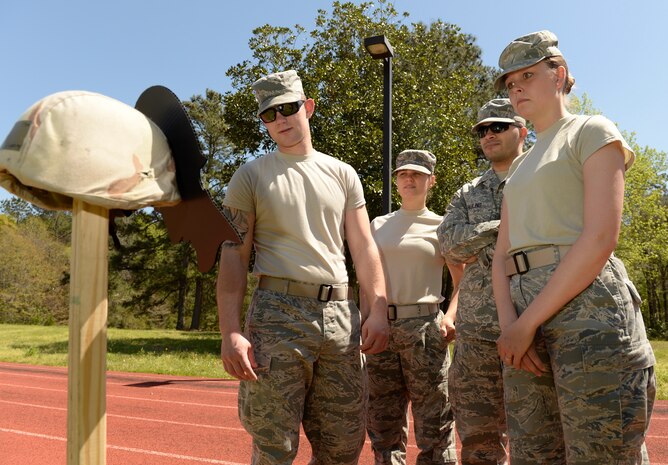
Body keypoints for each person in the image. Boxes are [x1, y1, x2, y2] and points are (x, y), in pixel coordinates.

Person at [490, 31, 656, 464]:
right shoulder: (521, 162)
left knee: (600, 453)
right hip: (525, 319)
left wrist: (527, 323)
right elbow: (502, 254)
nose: (517, 87)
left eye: (527, 74)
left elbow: (601, 237)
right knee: (534, 454)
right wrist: (513, 325)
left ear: (558, 74)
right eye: (510, 83)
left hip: (588, 310)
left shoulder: (591, 130)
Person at [216, 69, 390, 465]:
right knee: (274, 446)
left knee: (343, 447)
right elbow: (234, 259)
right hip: (278, 315)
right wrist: (231, 332)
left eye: (288, 108)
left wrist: (377, 309)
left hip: (341, 319)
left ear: (307, 108)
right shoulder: (251, 176)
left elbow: (363, 247)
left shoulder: (343, 173)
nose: (281, 120)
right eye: (269, 115)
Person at [438, 99, 527, 465]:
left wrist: (473, 236)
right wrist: (499, 229)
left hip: (531, 323)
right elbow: (448, 242)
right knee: (478, 438)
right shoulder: (469, 192)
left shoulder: (543, 175)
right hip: (476, 333)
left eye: (498, 127)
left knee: (537, 435)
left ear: (522, 130)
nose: (488, 135)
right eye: (482, 130)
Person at [364, 149, 461, 465]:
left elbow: (463, 281)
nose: (409, 179)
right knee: (383, 422)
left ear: (431, 181)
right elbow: (366, 279)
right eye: (403, 173)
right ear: (396, 180)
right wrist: (365, 321)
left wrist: (452, 316)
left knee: (434, 420)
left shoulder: (442, 226)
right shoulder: (377, 224)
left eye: (417, 174)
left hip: (424, 330)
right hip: (382, 329)